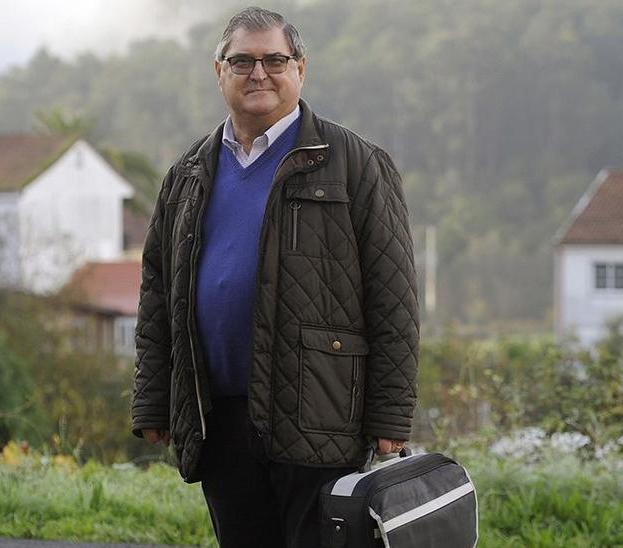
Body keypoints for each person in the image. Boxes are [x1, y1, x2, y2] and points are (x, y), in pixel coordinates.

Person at [129, 6, 419, 546]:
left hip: (320, 412)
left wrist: (391, 417)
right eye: (242, 61)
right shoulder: (188, 173)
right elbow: (157, 292)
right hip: (219, 416)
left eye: (274, 60)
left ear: (300, 69)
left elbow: (394, 298)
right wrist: (152, 399)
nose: (258, 73)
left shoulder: (355, 163)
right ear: (219, 72)